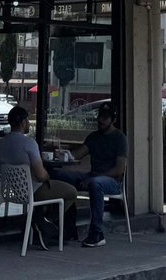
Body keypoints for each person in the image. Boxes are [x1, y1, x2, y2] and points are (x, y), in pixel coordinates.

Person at [0, 105, 79, 242]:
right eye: (27, 121)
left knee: (51, 190)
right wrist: (47, 176)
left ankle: (39, 222)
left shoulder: (1, 144)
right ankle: (43, 221)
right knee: (71, 192)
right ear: (23, 122)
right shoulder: (29, 143)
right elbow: (41, 176)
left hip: (12, 191)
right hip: (33, 190)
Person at [51, 102, 126, 249]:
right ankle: (67, 227)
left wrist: (92, 178)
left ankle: (97, 233)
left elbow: (119, 170)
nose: (100, 120)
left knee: (95, 184)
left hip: (112, 181)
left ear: (113, 120)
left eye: (105, 118)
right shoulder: (94, 137)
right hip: (92, 176)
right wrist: (63, 154)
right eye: (100, 116)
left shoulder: (120, 138)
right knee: (60, 176)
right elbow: (77, 154)